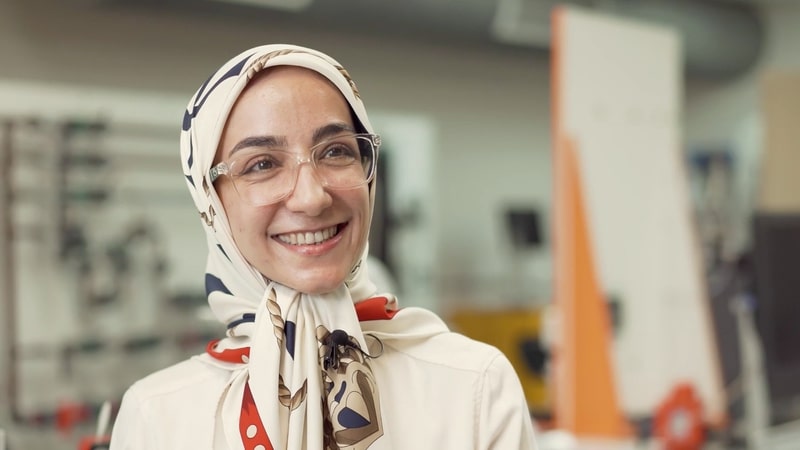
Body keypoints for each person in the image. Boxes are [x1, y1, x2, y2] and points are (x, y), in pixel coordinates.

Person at [109, 43, 538, 449]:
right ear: (211, 201)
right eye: (262, 164)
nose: (312, 197)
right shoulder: (157, 416)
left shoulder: (472, 386)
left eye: (335, 152)